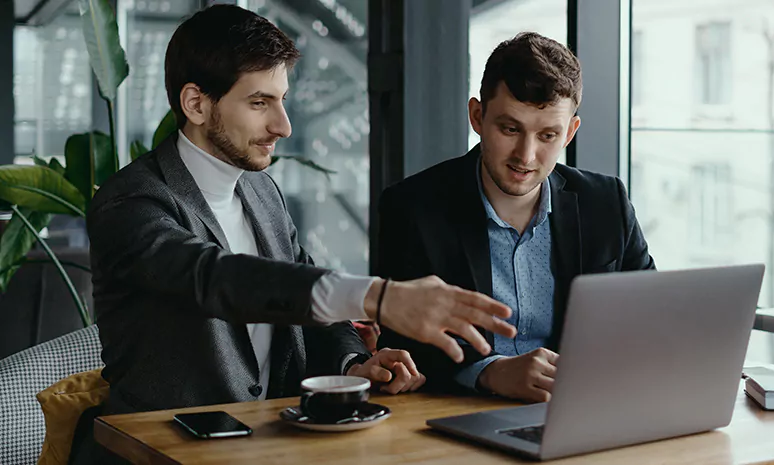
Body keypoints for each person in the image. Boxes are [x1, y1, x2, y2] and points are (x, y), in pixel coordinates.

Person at [70, 5, 514, 463]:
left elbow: (301, 291)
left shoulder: (262, 191)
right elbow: (216, 278)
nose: (283, 126)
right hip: (157, 452)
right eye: (260, 103)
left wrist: (354, 365)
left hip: (270, 447)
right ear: (196, 104)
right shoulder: (130, 202)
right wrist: (379, 296)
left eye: (282, 101)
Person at [376, 32, 656, 403]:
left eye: (547, 135)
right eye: (510, 129)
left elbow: (651, 319)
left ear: (570, 132)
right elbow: (403, 349)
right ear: (478, 116)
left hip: (583, 410)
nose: (526, 155)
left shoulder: (606, 203)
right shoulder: (412, 208)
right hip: (457, 419)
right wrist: (489, 371)